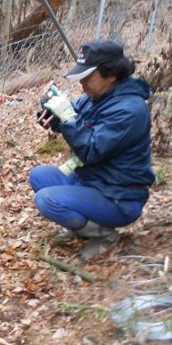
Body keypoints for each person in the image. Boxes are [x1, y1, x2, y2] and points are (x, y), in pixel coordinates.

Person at [29, 39, 155, 259]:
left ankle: (103, 235)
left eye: (88, 76)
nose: (82, 83)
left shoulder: (130, 110)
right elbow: (68, 123)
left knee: (47, 200)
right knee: (39, 176)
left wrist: (68, 118)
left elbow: (90, 149)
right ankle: (83, 227)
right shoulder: (96, 97)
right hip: (92, 182)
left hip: (119, 197)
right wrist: (50, 111)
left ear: (112, 75)